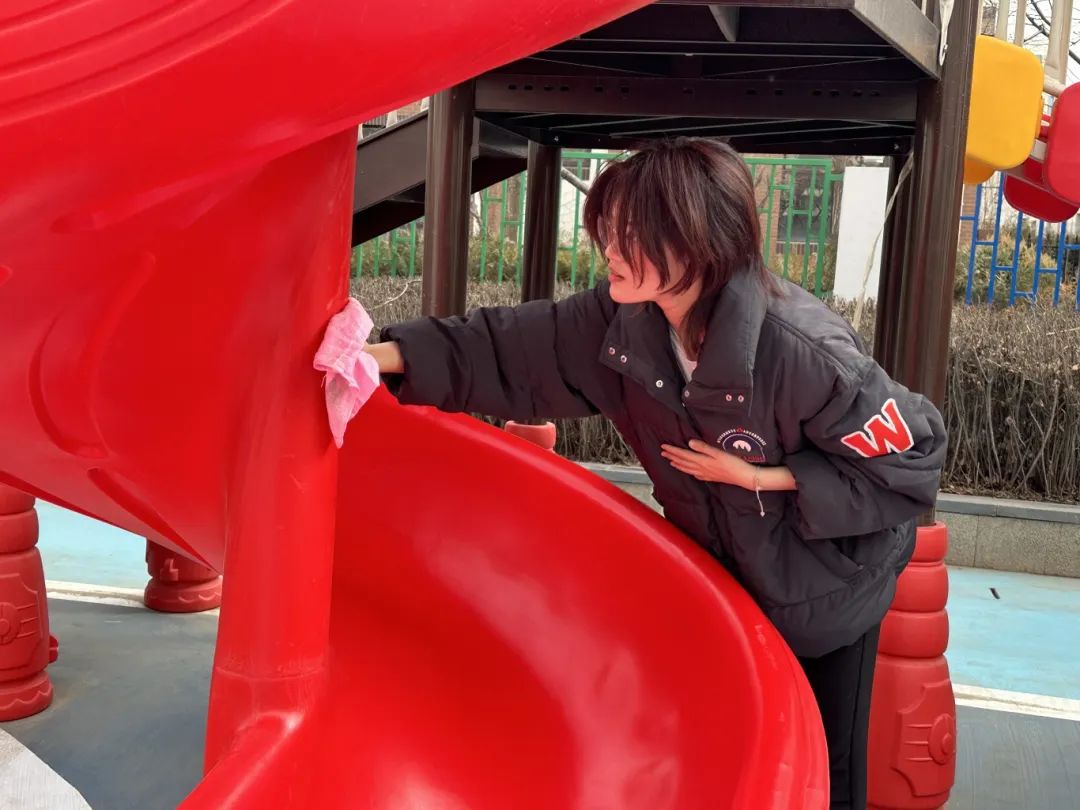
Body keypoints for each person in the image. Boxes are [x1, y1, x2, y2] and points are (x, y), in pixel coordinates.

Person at [363, 138, 947, 809]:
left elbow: (913, 458)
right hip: (731, 582)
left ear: (698, 240)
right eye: (608, 230)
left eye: (632, 235)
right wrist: (379, 357)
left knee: (824, 773)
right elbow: (507, 348)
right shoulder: (624, 326)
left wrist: (767, 477)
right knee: (740, 758)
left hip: (831, 588)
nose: (609, 250)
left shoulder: (802, 351)